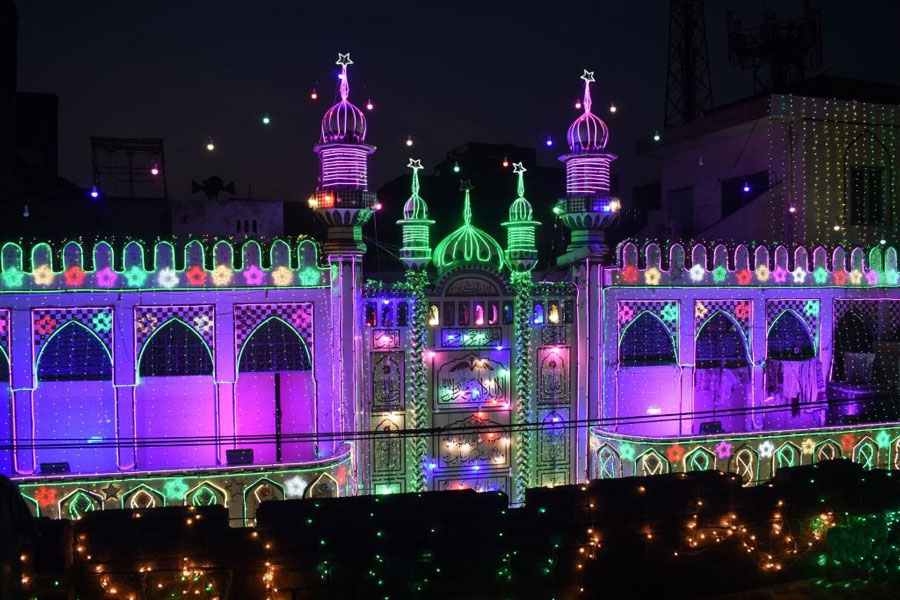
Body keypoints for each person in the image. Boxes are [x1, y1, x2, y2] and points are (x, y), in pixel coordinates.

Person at [0, 474, 39, 600]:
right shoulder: (4, 484)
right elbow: (21, 514)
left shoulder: (4, 484)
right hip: (6, 551)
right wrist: (34, 534)